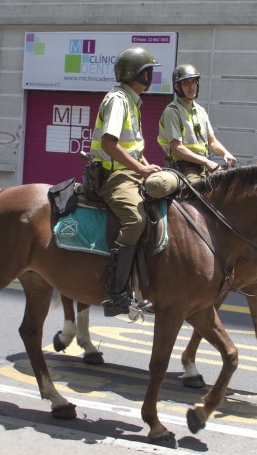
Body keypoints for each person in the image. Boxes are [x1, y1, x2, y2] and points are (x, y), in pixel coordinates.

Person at [89, 46, 163, 317]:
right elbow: (110, 144)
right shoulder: (119, 100)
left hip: (129, 172)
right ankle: (115, 294)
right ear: (138, 74)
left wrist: (147, 167)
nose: (152, 76)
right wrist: (141, 171)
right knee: (135, 220)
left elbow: (132, 148)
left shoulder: (132, 101)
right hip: (113, 177)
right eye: (149, 71)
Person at [157, 64, 236, 183]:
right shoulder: (172, 112)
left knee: (231, 183)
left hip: (202, 164)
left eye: (193, 82)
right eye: (186, 83)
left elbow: (212, 142)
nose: (191, 87)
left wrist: (226, 153)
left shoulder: (201, 111)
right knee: (199, 193)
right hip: (182, 165)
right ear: (177, 87)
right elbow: (177, 148)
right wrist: (206, 161)